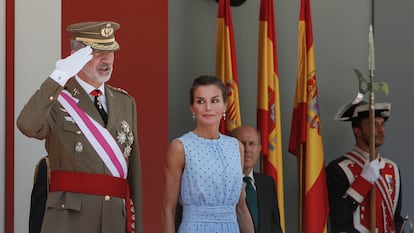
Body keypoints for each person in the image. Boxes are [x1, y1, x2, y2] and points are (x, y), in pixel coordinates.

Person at [17, 21, 143, 233]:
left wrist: (136, 226)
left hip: (114, 220)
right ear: (75, 55)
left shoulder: (125, 102)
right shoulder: (56, 99)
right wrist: (58, 77)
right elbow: (27, 125)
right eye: (96, 51)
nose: (106, 59)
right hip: (69, 220)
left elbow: (133, 173)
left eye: (110, 51)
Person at [162, 75, 254, 233]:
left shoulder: (236, 147)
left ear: (225, 105)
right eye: (200, 101)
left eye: (215, 100)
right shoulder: (180, 147)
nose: (208, 107)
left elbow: (241, 208)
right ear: (192, 107)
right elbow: (168, 210)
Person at [326, 101, 404, 233]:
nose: (381, 130)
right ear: (358, 131)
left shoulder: (392, 169)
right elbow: (336, 215)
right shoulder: (337, 169)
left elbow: (395, 218)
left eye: (382, 124)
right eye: (374, 124)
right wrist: (363, 182)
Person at [230, 125, 283, 233]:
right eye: (242, 143)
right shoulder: (220, 183)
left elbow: (274, 225)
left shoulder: (267, 183)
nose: (247, 149)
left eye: (252, 144)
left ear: (259, 150)